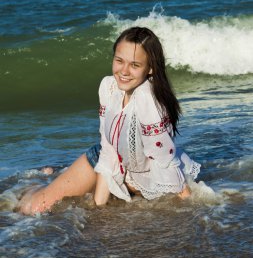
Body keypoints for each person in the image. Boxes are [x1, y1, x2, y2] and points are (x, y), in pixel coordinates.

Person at [18, 27, 200, 215]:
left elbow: (164, 159)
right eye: (119, 61)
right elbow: (108, 151)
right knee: (31, 208)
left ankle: (51, 176)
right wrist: (99, 208)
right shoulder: (109, 87)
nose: (124, 71)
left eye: (135, 65)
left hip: (130, 177)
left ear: (150, 68)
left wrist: (197, 213)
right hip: (102, 161)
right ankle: (33, 185)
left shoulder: (148, 99)